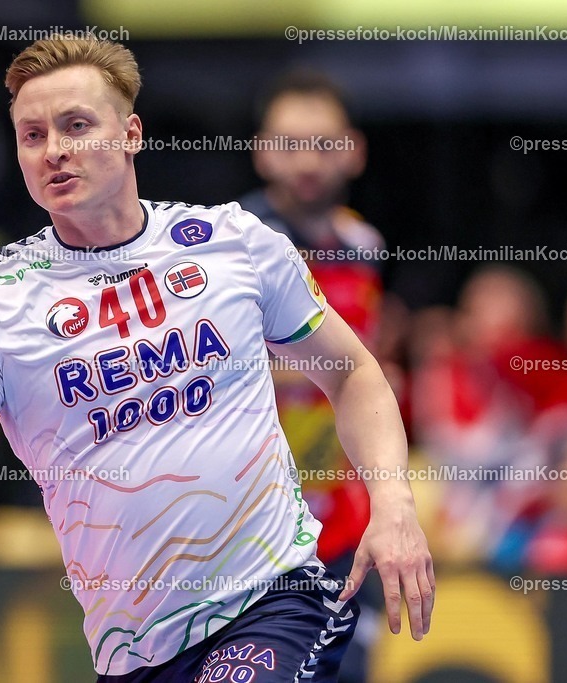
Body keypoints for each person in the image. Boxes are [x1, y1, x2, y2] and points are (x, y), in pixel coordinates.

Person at [0, 36, 433, 681]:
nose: (54, 150)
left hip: (270, 598)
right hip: (132, 653)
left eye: (76, 126)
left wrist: (394, 504)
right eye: (32, 135)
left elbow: (352, 374)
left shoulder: (233, 244)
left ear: (131, 134)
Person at [237, 69, 386, 682]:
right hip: (255, 531)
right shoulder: (235, 246)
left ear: (353, 150)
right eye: (289, 143)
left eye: (323, 144)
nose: (306, 161)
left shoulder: (364, 244)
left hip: (346, 525)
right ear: (262, 151)